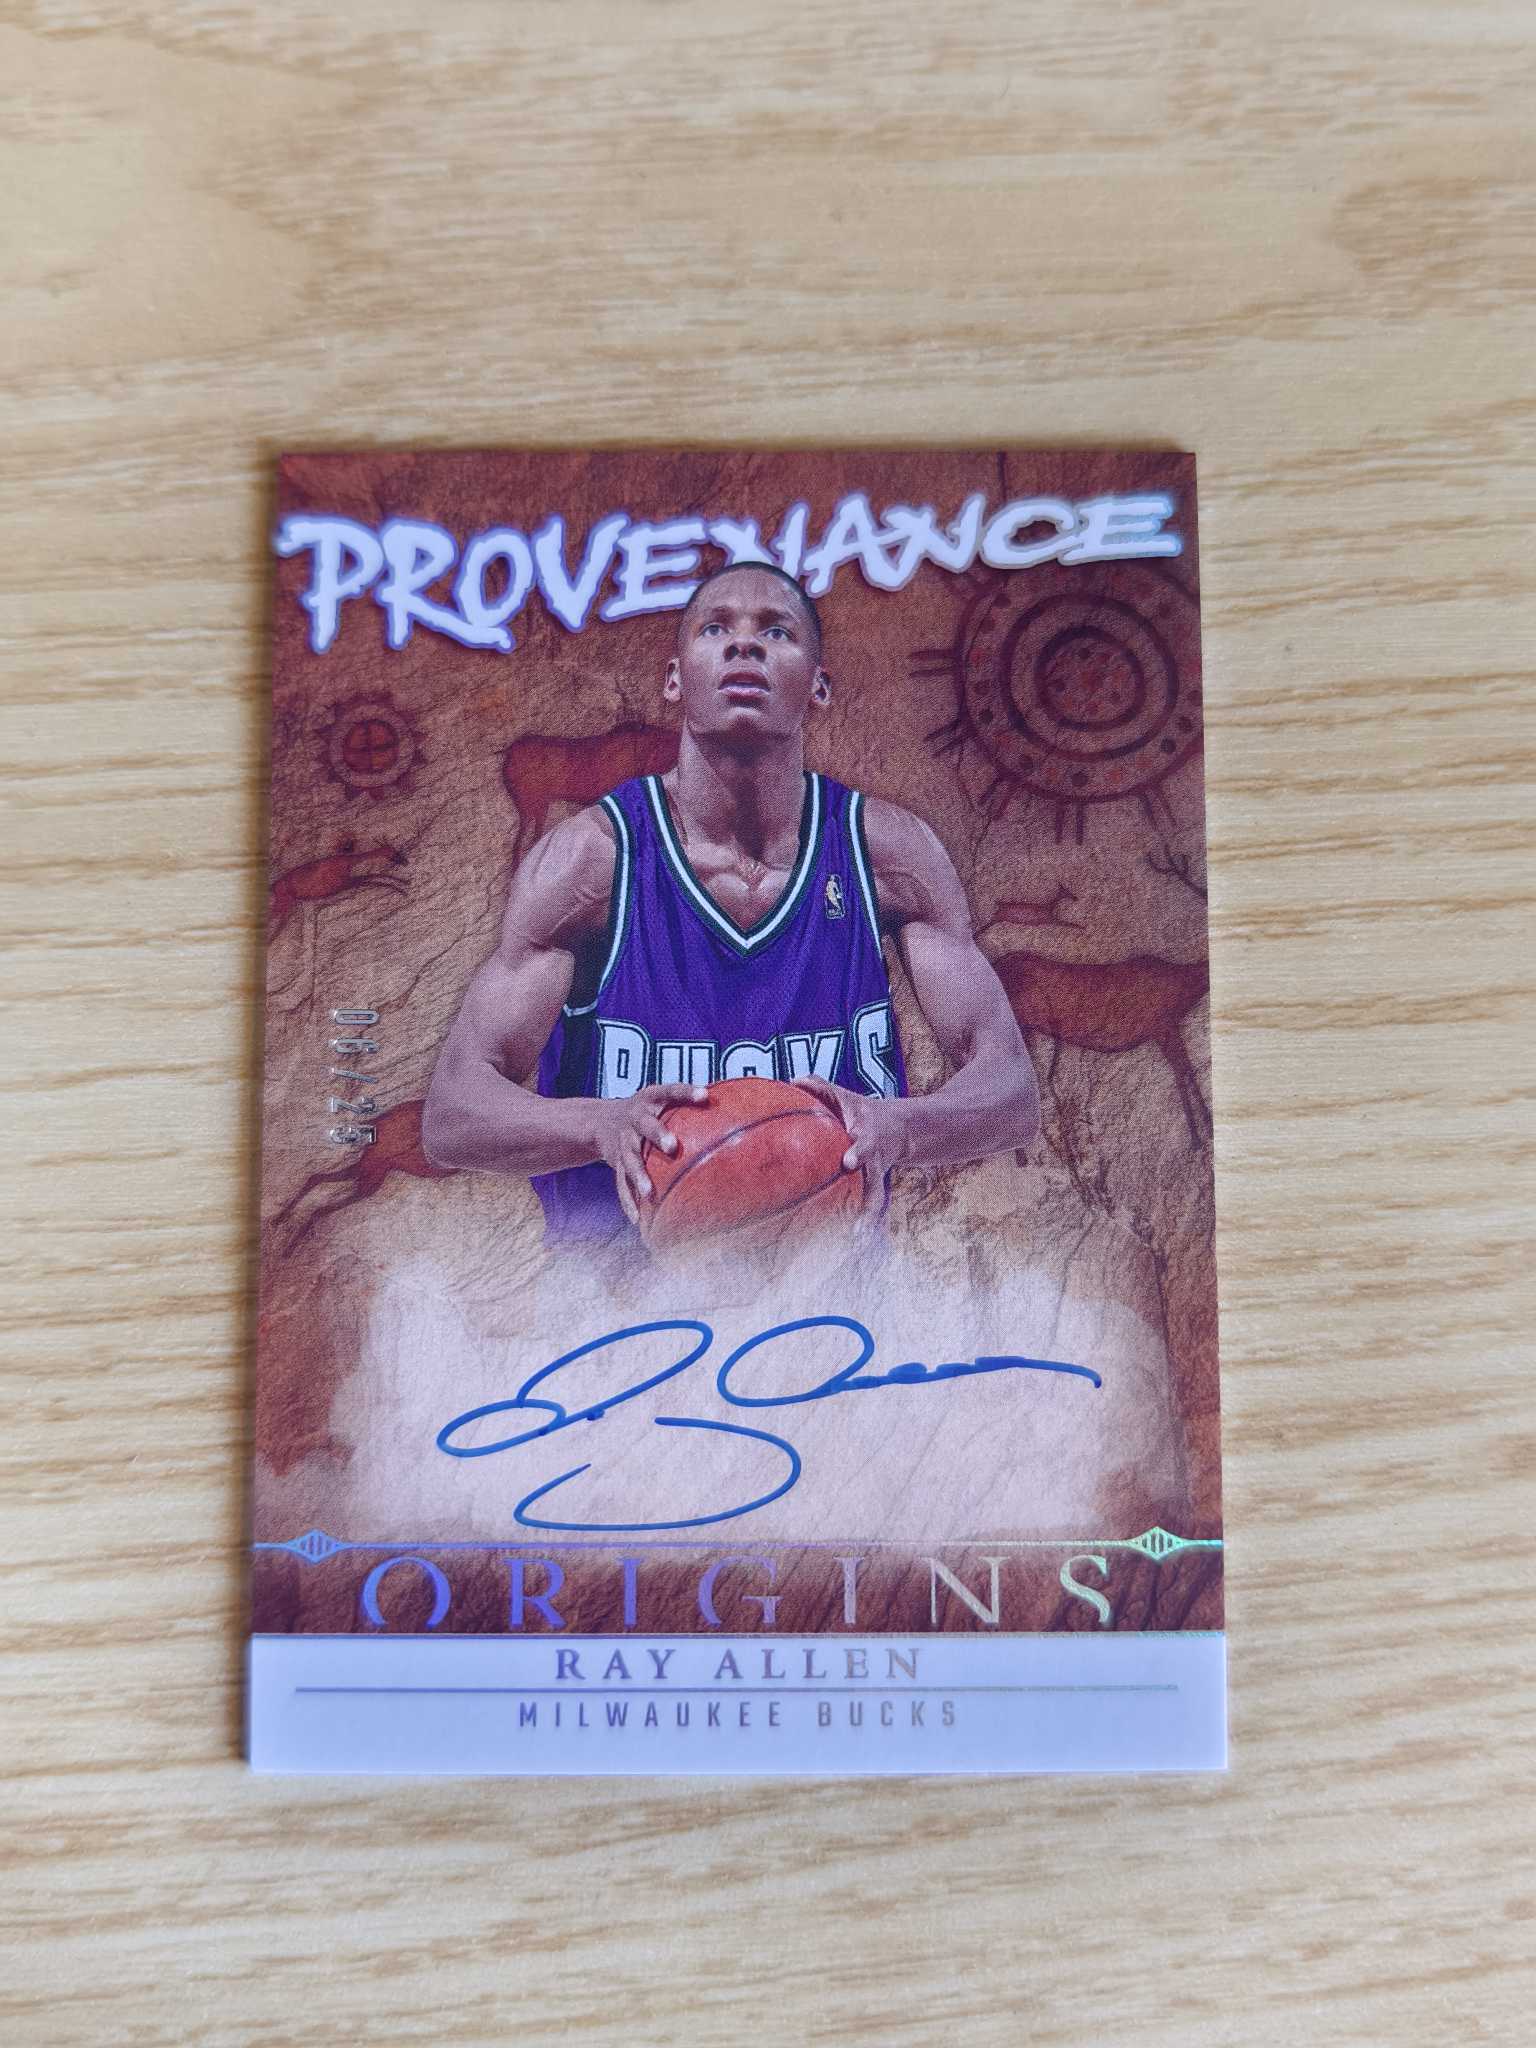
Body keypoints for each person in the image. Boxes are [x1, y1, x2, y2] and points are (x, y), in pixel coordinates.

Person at [422, 561, 1039, 1239]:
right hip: (613, 1291)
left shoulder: (887, 854)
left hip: (829, 1288)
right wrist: (598, 1124)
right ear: (675, 679)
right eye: (715, 629)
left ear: (819, 685)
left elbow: (1009, 1089)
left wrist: (901, 1126)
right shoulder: (592, 861)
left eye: (777, 632)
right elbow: (455, 1111)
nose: (745, 644)